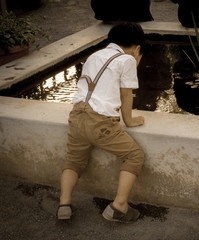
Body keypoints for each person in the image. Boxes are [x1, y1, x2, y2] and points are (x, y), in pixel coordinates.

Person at [57, 22, 145, 223]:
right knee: (134, 155)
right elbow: (126, 94)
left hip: (77, 116)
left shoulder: (93, 56)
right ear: (137, 48)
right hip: (101, 123)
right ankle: (119, 206)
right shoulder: (128, 60)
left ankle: (64, 204)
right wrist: (129, 121)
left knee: (74, 160)